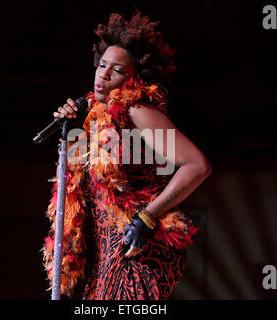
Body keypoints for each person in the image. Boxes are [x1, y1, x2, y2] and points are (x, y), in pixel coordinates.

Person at [42, 10, 212, 300]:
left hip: (138, 252)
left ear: (136, 77)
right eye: (102, 65)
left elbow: (196, 165)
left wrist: (147, 218)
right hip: (107, 255)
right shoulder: (95, 117)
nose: (104, 74)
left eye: (118, 70)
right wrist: (69, 131)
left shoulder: (137, 111)